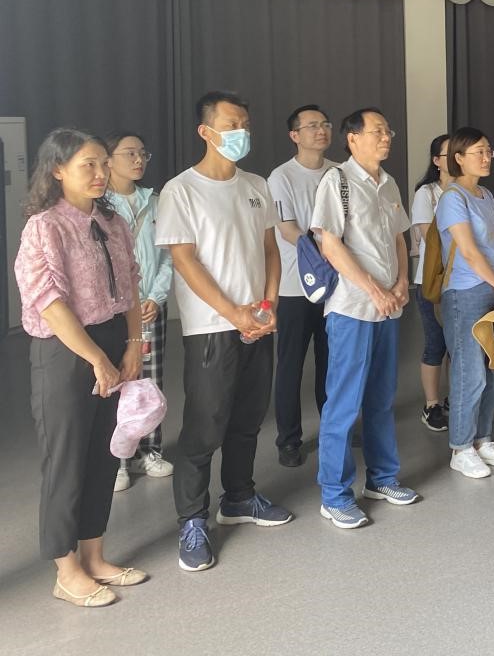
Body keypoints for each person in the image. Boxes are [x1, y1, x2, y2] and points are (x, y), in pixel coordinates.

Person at [156, 91, 291, 574]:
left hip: (257, 322)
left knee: (248, 418)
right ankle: (192, 519)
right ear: (206, 131)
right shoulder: (181, 190)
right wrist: (234, 313)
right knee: (205, 425)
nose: (242, 132)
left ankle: (239, 497)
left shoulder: (255, 185)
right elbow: (185, 261)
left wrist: (268, 305)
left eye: (246, 124)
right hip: (211, 327)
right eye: (232, 124)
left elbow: (270, 250)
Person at [14, 128, 146, 608]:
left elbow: (131, 284)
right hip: (65, 351)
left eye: (102, 163)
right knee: (66, 460)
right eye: (87, 164)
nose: (99, 173)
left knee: (103, 455)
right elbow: (47, 301)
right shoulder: (45, 226)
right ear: (57, 170)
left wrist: (133, 344)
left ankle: (94, 555)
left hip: (113, 340)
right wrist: (96, 359)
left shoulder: (112, 221)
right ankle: (66, 569)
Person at [309, 108, 419, 528]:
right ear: (352, 138)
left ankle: (382, 478)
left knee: (381, 397)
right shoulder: (336, 181)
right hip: (353, 309)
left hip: (389, 307)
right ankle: (334, 495)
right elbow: (330, 245)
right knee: (343, 402)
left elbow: (399, 238)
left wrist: (402, 283)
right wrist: (375, 290)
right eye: (377, 131)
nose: (386, 137)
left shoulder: (389, 183)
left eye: (388, 131)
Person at [436, 128, 494, 478]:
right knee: (469, 374)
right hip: (465, 293)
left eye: (489, 151)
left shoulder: (486, 194)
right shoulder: (452, 198)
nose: (486, 158)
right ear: (458, 158)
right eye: (478, 152)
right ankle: (461, 447)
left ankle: (483, 440)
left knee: (491, 372)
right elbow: (469, 252)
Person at [267, 105, 337, 468]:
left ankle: (333, 429)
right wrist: (324, 251)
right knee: (291, 365)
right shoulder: (281, 177)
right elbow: (287, 228)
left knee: (331, 362)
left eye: (324, 124)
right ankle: (289, 439)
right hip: (296, 286)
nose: (320, 130)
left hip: (336, 286)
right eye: (311, 126)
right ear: (295, 135)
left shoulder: (339, 172)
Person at [104, 131, 174, 491]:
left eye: (143, 154)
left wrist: (156, 297)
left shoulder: (156, 201)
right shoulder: (99, 203)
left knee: (151, 381)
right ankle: (117, 459)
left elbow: (169, 254)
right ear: (109, 159)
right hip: (115, 312)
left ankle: (150, 450)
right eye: (129, 153)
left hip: (149, 308)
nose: (138, 160)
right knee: (118, 381)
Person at [411, 133, 452, 433]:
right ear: (436, 160)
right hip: (432, 281)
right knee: (436, 344)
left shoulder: (471, 190)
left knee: (458, 346)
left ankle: (454, 398)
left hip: (463, 280)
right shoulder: (426, 193)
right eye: (449, 153)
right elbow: (431, 238)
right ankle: (432, 405)